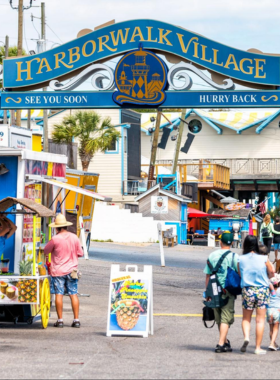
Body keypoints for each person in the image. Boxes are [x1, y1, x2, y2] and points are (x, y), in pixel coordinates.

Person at [44, 214, 84, 328]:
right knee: (73, 294)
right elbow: (80, 253)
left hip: (58, 272)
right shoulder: (74, 237)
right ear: (65, 226)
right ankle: (76, 320)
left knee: (59, 294)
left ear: (56, 228)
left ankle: (60, 320)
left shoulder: (55, 239)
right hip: (72, 271)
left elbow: (46, 251)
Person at [238, 235, 275, 355]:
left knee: (246, 318)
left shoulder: (240, 259)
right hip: (262, 290)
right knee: (260, 320)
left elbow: (240, 274)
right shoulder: (264, 259)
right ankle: (258, 348)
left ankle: (246, 337)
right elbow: (272, 272)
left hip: (248, 290)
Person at [204, 232, 238, 353]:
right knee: (225, 318)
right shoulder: (234, 257)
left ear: (220, 242)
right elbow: (239, 273)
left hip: (213, 291)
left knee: (219, 318)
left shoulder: (212, 255)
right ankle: (220, 344)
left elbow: (208, 276)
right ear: (232, 243)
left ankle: (224, 341)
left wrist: (207, 293)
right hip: (228, 291)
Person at [266, 274, 280, 351]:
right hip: (277, 311)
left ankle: (273, 343)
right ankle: (272, 343)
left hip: (269, 311)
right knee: (276, 328)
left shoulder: (268, 291)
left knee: (271, 328)